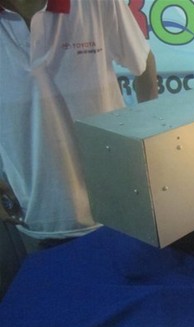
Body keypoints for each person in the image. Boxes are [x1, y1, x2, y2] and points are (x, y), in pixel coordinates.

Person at [0, 0, 158, 296]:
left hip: (117, 216)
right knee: (55, 310)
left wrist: (149, 141)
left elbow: (143, 63)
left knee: (128, 307)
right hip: (34, 222)